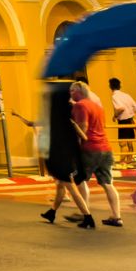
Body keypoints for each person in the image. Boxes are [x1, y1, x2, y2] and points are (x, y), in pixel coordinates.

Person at [40, 81, 95, 229]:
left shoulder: (57, 120)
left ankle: (88, 217)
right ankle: (52, 212)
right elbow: (83, 136)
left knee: (71, 189)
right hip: (69, 157)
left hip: (61, 159)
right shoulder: (68, 117)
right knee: (60, 186)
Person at [70, 79, 122, 226]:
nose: (70, 94)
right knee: (107, 183)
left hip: (89, 148)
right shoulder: (97, 106)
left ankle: (84, 212)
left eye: (72, 91)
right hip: (105, 148)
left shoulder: (80, 106)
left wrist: (75, 147)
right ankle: (116, 216)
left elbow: (83, 128)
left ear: (79, 92)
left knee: (79, 180)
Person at [111, 77, 136, 153]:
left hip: (123, 121)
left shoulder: (115, 96)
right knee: (130, 142)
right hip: (130, 120)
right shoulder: (126, 95)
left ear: (110, 86)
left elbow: (121, 108)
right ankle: (130, 159)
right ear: (120, 86)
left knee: (122, 143)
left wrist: (115, 116)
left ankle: (123, 160)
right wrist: (130, 113)